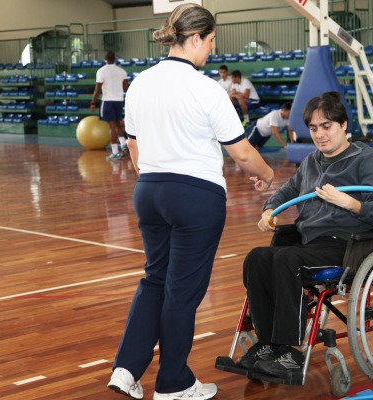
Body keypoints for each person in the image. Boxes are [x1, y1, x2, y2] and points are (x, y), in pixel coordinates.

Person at [107, 4, 274, 400]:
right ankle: (173, 383)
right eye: (211, 40)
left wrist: (154, 178)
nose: (212, 50)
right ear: (195, 38)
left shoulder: (141, 83)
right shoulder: (205, 88)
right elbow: (243, 153)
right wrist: (267, 175)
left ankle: (126, 370)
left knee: (154, 281)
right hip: (195, 196)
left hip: (148, 191)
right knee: (181, 292)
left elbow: (134, 148)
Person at [237, 91, 373, 378]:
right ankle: (269, 343)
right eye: (313, 128)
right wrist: (269, 210)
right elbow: (289, 190)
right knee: (257, 257)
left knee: (287, 260)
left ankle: (289, 349)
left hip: (346, 245)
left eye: (327, 126)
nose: (320, 135)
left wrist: (351, 203)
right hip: (310, 242)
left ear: (344, 125)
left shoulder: (370, 159)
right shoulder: (311, 160)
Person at [90, 50, 129, 161]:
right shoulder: (122, 71)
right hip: (119, 101)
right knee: (117, 124)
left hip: (108, 101)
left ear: (105, 60)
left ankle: (115, 152)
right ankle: (123, 145)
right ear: (115, 59)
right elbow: (126, 87)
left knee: (111, 127)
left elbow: (97, 89)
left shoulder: (101, 71)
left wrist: (93, 102)